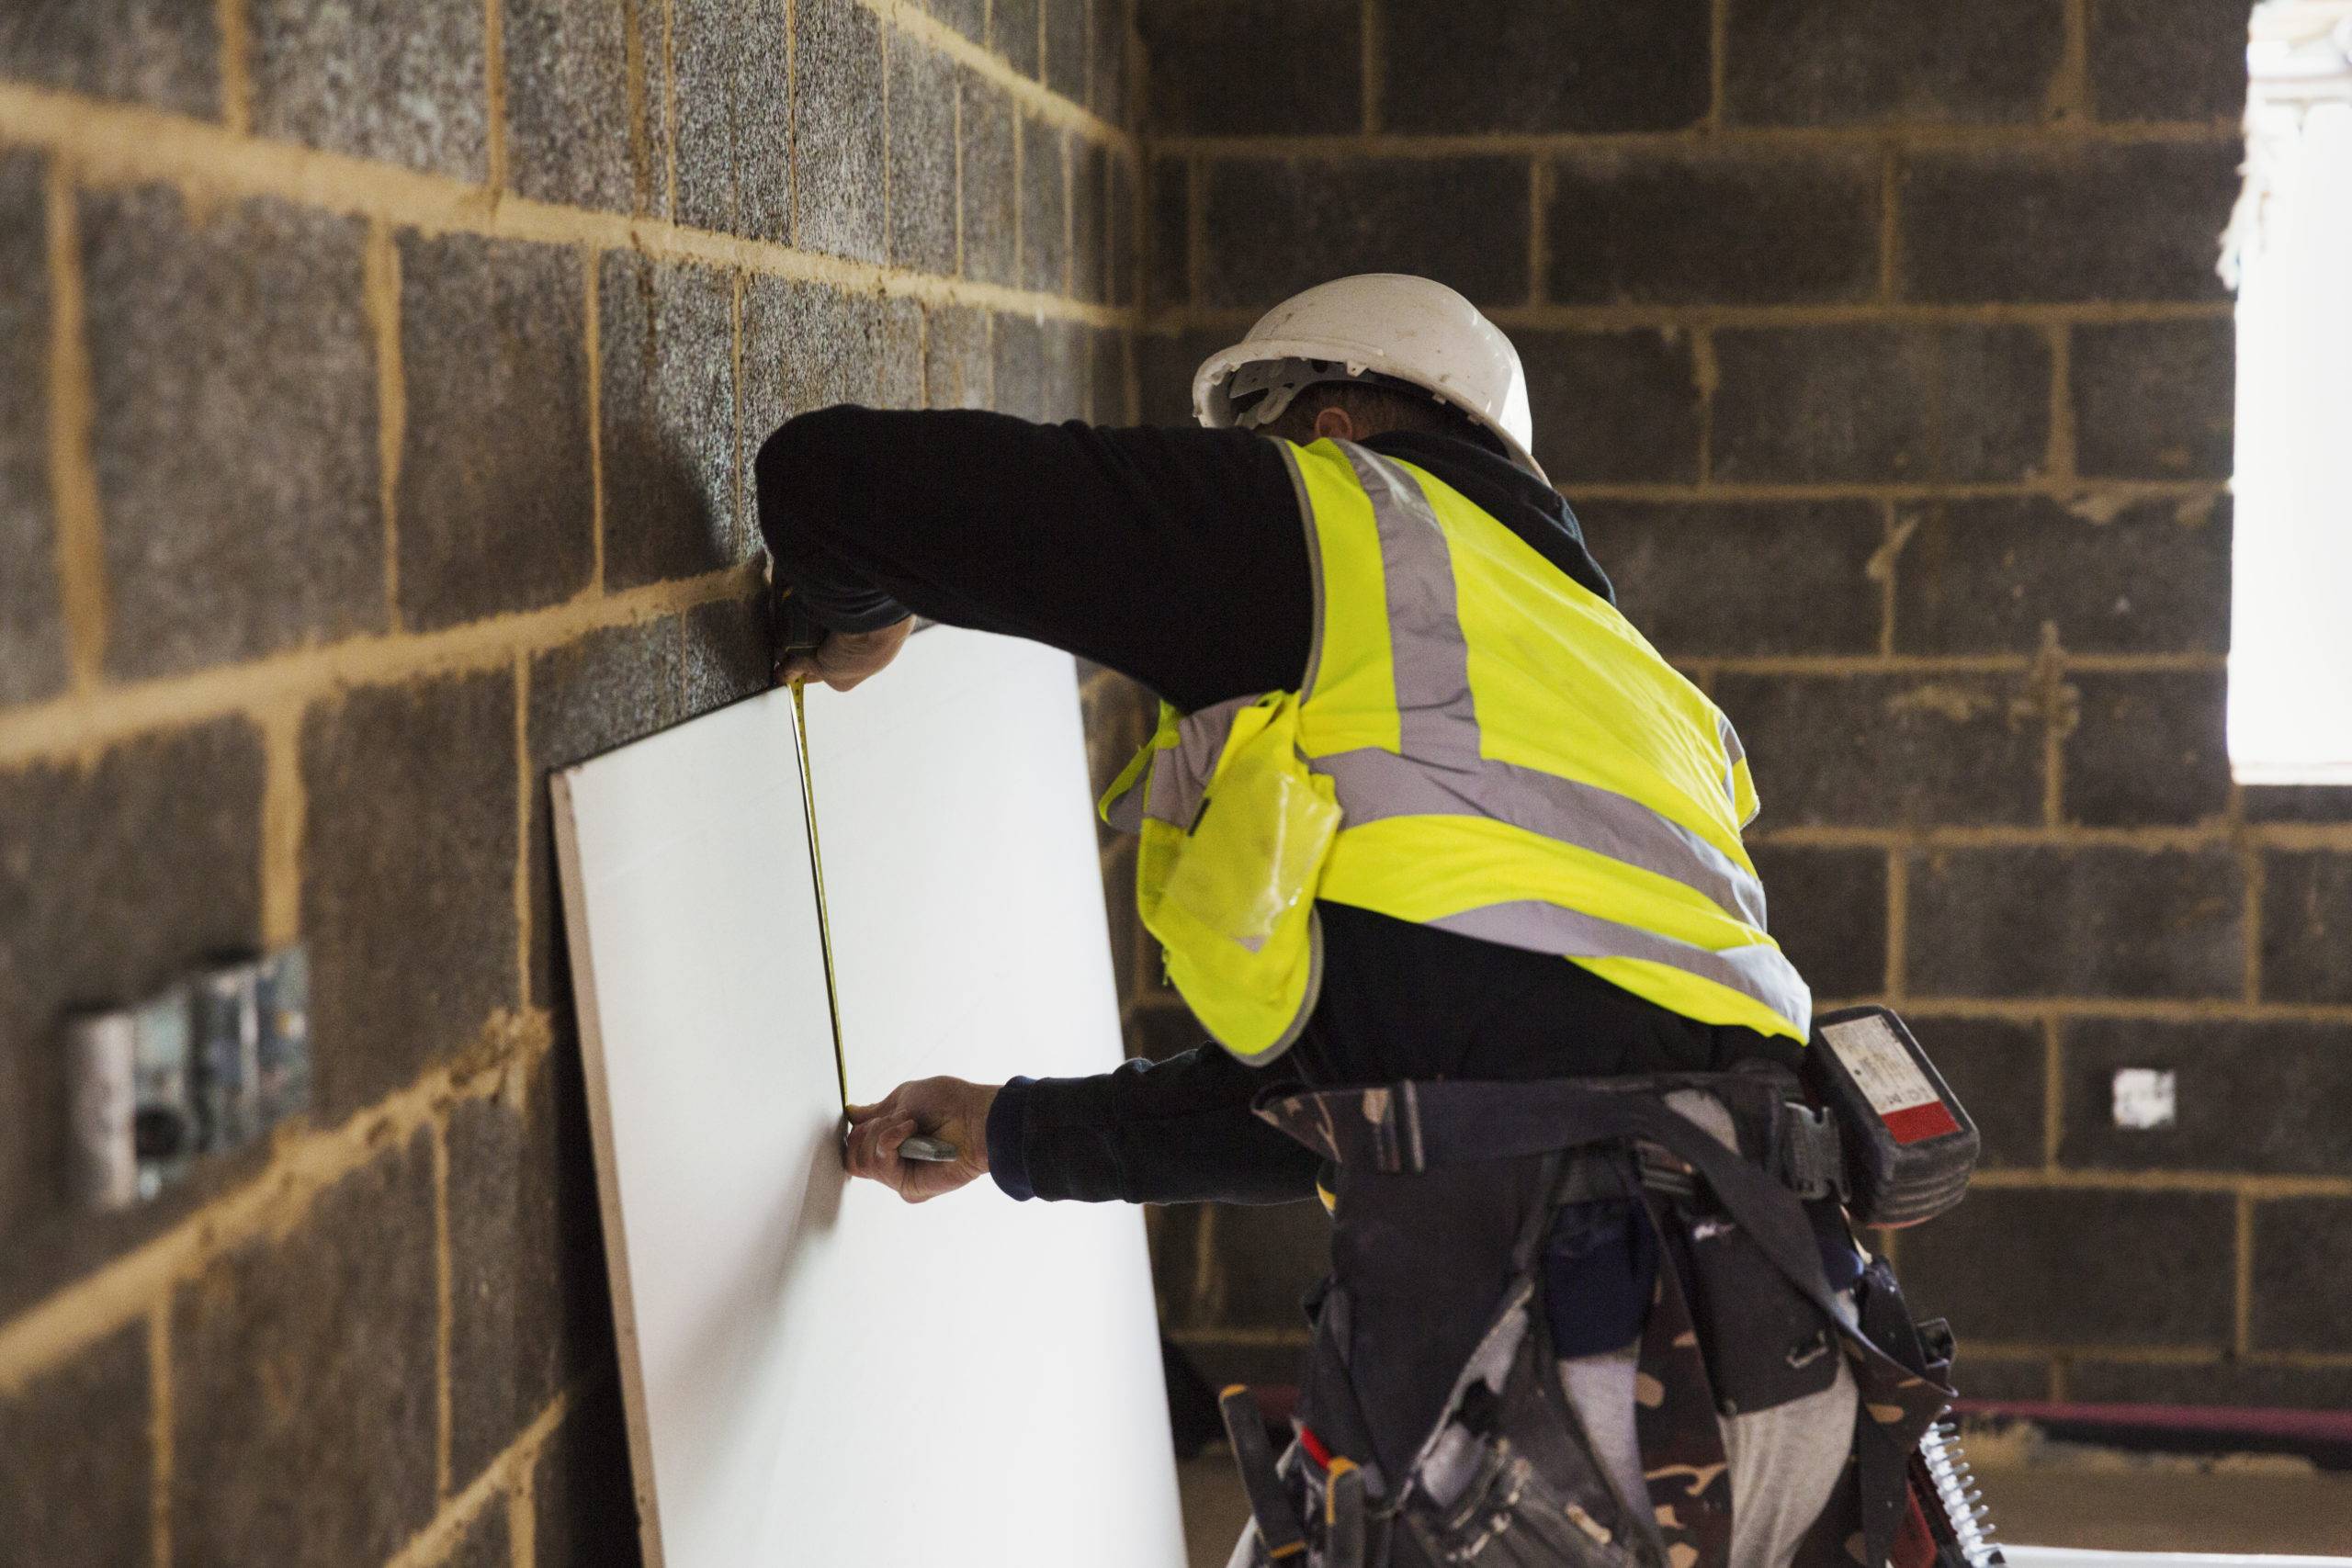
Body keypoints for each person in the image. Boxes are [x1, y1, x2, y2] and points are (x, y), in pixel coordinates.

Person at [757, 276, 1955, 1568]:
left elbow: (829, 484)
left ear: (1324, 423)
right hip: (1791, 1363)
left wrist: (854, 620)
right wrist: (1015, 1129)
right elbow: (1408, 1106)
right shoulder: (1643, 690)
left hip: (1554, 1397)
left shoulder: (1328, 522)